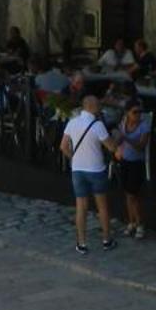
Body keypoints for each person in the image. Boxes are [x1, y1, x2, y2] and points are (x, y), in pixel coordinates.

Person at [61, 92, 116, 255]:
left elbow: (63, 146)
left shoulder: (72, 122)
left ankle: (82, 243)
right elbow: (111, 147)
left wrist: (74, 158)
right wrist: (117, 138)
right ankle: (106, 240)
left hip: (78, 170)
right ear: (93, 108)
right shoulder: (98, 126)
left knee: (81, 206)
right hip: (96, 169)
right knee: (102, 206)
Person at [114, 101, 152, 238]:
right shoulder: (124, 123)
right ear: (127, 113)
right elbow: (118, 141)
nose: (138, 115)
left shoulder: (144, 126)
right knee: (127, 194)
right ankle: (132, 222)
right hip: (125, 161)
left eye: (139, 112)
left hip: (137, 163)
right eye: (135, 112)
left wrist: (126, 138)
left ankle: (139, 223)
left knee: (133, 195)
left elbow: (141, 146)